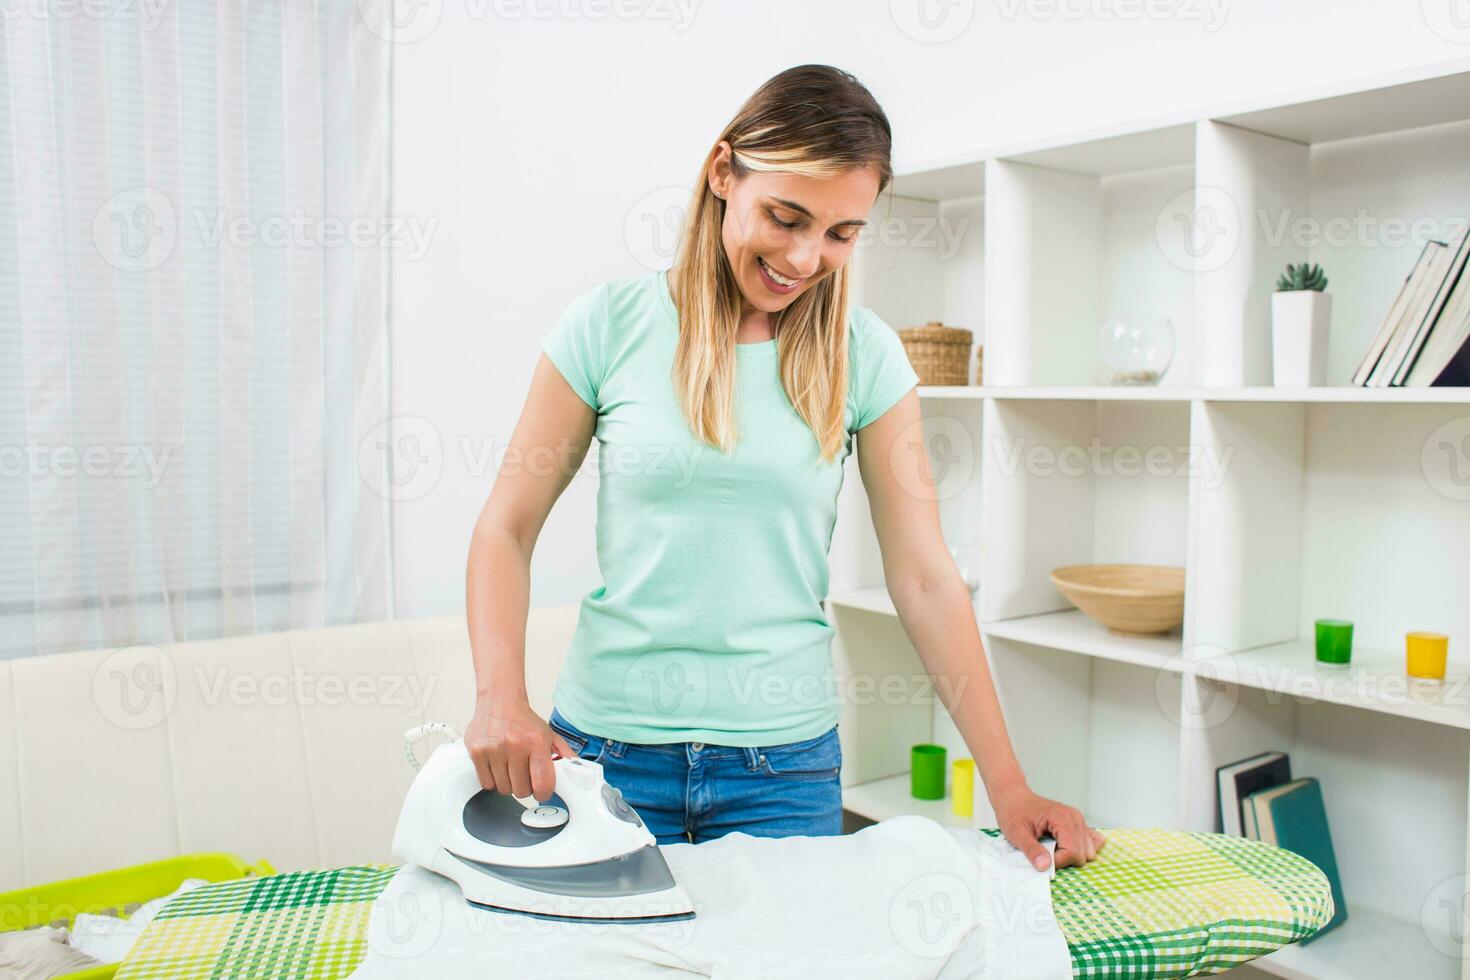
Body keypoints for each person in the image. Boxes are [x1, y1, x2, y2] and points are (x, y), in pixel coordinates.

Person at [463, 63, 1105, 871]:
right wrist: (499, 696)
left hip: (784, 770)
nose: (806, 258)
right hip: (605, 758)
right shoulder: (605, 326)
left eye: (841, 233)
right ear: (723, 172)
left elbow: (925, 578)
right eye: (786, 216)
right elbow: (505, 527)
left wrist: (1009, 787)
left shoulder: (866, 356)